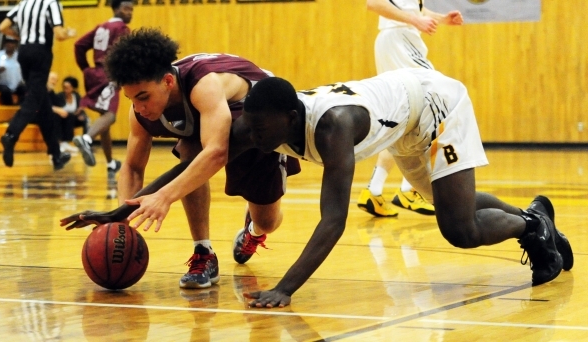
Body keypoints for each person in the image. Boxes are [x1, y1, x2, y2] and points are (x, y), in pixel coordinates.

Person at [234, 71, 572, 308]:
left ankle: (532, 228)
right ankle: (535, 215)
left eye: (259, 128)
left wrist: (285, 288)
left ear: (291, 118)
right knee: (449, 203)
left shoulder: (332, 127)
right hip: (403, 120)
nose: (253, 133)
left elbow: (334, 220)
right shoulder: (259, 122)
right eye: (249, 125)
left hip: (435, 106)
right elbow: (202, 160)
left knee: (460, 229)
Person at [60, 28, 300, 289]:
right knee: (189, 152)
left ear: (168, 82)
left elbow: (216, 154)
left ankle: (253, 231)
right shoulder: (139, 109)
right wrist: (122, 218)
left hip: (256, 116)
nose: (138, 108)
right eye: (131, 99)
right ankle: (203, 253)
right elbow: (132, 166)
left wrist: (163, 196)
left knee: (267, 221)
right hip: (208, 118)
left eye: (143, 98)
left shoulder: (203, 85)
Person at [358, 0, 463, 217]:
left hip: (400, 40)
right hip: (399, 40)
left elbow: (412, 7)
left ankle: (374, 191)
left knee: (408, 119)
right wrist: (415, 20)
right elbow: (374, 3)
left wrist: (441, 19)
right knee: (439, 98)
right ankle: (409, 190)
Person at [0, 0, 76, 170]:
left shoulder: (24, 4)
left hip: (24, 51)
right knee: (34, 98)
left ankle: (56, 156)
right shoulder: (51, 3)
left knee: (42, 103)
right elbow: (59, 34)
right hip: (40, 52)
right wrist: (69, 33)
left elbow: (2, 27)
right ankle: (11, 134)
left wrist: (20, 37)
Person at [72, 0, 133, 175]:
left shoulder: (101, 27)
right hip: (110, 75)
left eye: (131, 9)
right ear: (115, 9)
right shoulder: (122, 29)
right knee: (110, 115)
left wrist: (86, 68)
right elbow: (124, 56)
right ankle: (86, 139)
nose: (130, 12)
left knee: (104, 120)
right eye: (126, 9)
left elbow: (79, 45)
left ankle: (110, 163)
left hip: (95, 73)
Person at [52, 76, 88, 153]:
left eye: (68, 87)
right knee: (62, 117)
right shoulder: (59, 96)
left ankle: (86, 144)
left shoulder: (77, 96)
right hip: (62, 118)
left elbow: (80, 108)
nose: (65, 89)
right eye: (64, 87)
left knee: (87, 120)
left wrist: (81, 114)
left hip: (73, 118)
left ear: (73, 88)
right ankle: (62, 143)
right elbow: (55, 108)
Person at [0, 37, 25, 105]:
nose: (9, 44)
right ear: (4, 44)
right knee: (5, 91)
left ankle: (20, 109)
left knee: (25, 91)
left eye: (12, 43)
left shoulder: (19, 56)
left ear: (16, 45)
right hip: (2, 84)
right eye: (8, 42)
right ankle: (9, 109)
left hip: (17, 85)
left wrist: (22, 81)